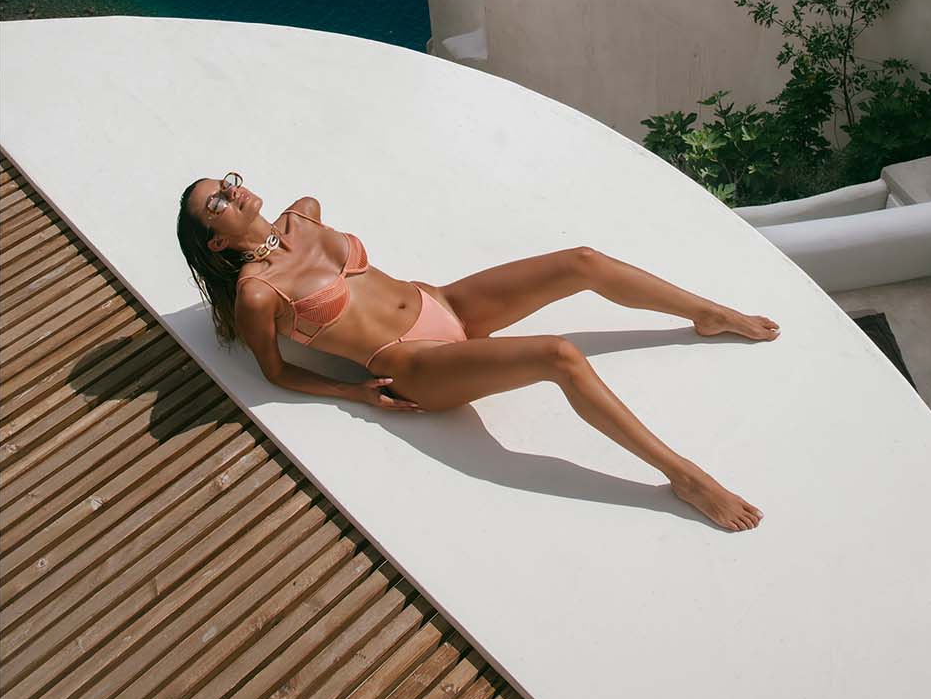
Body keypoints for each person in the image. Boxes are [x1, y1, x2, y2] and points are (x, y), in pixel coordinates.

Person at [176, 172, 774, 531]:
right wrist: (352, 392)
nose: (233, 194)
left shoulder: (300, 217)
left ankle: (708, 313)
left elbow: (310, 205)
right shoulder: (258, 294)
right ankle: (685, 477)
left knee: (581, 261)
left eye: (228, 184)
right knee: (559, 355)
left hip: (445, 303)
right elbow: (276, 372)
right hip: (411, 363)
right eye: (218, 204)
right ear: (219, 240)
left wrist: (292, 227)